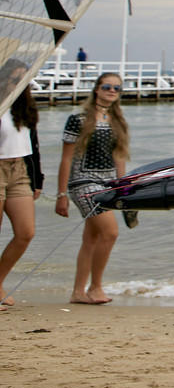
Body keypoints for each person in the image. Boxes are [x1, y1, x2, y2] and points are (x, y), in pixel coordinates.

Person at [55, 72, 129, 304]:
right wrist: (61, 195)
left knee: (92, 239)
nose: (112, 91)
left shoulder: (118, 121)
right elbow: (66, 159)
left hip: (108, 184)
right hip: (83, 183)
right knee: (110, 233)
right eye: (107, 86)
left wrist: (123, 187)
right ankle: (96, 287)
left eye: (117, 88)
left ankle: (78, 292)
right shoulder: (78, 118)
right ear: (96, 89)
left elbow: (119, 157)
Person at [0, 59, 44, 306]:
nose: (20, 84)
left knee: (26, 232)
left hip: (20, 171)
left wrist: (38, 179)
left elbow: (34, 147)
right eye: (15, 79)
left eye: (24, 80)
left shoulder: (25, 106)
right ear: (4, 78)